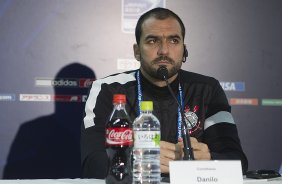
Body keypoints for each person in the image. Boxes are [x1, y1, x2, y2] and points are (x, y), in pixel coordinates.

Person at [81, 7, 248, 178]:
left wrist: (210, 159)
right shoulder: (108, 89)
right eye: (152, 41)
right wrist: (138, 159)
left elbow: (237, 162)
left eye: (174, 40)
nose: (164, 51)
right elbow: (92, 164)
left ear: (184, 49)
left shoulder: (207, 89)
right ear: (137, 51)